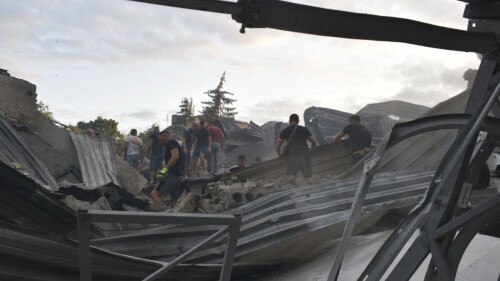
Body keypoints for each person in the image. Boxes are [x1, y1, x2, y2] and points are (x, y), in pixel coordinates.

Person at [275, 113, 317, 182]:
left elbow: (277, 146)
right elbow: (314, 142)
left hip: (291, 158)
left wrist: (280, 156)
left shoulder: (285, 131)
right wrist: (312, 151)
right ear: (298, 121)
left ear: (289, 121)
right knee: (309, 179)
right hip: (304, 156)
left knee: (291, 180)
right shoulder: (304, 129)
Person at [151, 130, 185, 207]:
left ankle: (162, 217)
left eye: (160, 140)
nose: (159, 142)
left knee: (154, 195)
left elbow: (175, 157)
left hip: (173, 175)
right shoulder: (172, 146)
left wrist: (163, 171)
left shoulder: (171, 142)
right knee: (173, 201)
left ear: (165, 136)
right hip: (179, 176)